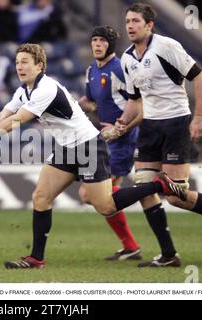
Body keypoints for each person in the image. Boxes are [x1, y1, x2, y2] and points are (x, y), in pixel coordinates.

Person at [0, 43, 186, 269]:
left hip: (88, 146)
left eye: (25, 62)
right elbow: (3, 115)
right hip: (65, 148)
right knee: (41, 197)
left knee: (106, 206)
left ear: (40, 65)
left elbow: (18, 120)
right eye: (17, 62)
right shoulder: (24, 90)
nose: (19, 67)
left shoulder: (46, 88)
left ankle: (159, 184)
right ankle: (35, 259)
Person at [115, 2, 202, 267]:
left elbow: (200, 78)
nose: (130, 26)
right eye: (128, 21)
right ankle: (168, 255)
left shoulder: (167, 46)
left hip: (176, 123)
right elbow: (134, 100)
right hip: (150, 128)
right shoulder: (127, 58)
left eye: (135, 21)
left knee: (176, 196)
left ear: (149, 25)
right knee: (144, 189)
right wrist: (121, 123)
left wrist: (198, 118)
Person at [77, 25, 142, 261]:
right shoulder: (91, 70)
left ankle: (150, 192)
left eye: (102, 41)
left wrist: (122, 127)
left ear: (111, 45)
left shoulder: (121, 69)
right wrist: (71, 105)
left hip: (122, 138)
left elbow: (140, 103)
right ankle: (131, 245)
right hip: (105, 137)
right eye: (94, 40)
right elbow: (91, 101)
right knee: (101, 198)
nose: (96, 44)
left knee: (91, 195)